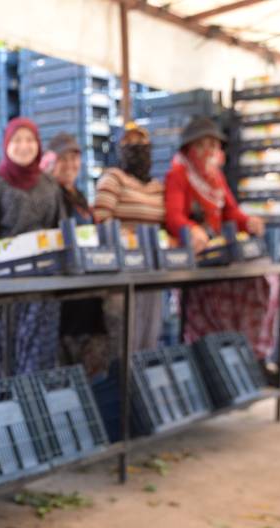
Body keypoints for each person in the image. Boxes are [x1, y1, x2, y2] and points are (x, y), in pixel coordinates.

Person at [164, 116, 280, 366]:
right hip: (196, 258)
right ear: (189, 148)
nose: (208, 151)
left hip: (220, 256)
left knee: (263, 281)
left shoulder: (216, 178)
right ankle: (214, 358)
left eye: (212, 145)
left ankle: (250, 354)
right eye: (201, 145)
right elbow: (174, 216)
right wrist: (192, 230)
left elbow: (231, 212)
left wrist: (248, 221)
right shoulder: (178, 174)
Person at [0, 118, 65, 377]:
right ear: (7, 145)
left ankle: (35, 412)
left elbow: (60, 230)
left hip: (44, 290)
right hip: (8, 289)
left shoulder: (50, 185)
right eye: (17, 140)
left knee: (40, 360)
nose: (24, 146)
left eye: (29, 140)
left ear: (38, 145)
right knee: (9, 360)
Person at [94, 123, 168, 359]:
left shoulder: (157, 187)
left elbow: (166, 225)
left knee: (149, 335)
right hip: (122, 273)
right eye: (129, 144)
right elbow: (101, 218)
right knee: (124, 340)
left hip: (151, 273)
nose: (137, 149)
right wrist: (130, 239)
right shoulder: (113, 178)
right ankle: (121, 390)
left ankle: (141, 390)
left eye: (142, 144)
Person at [44, 131, 107, 374]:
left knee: (93, 370)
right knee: (68, 373)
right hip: (65, 301)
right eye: (63, 159)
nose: (70, 165)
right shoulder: (50, 194)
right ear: (52, 163)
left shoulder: (79, 196)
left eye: (74, 158)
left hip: (90, 294)